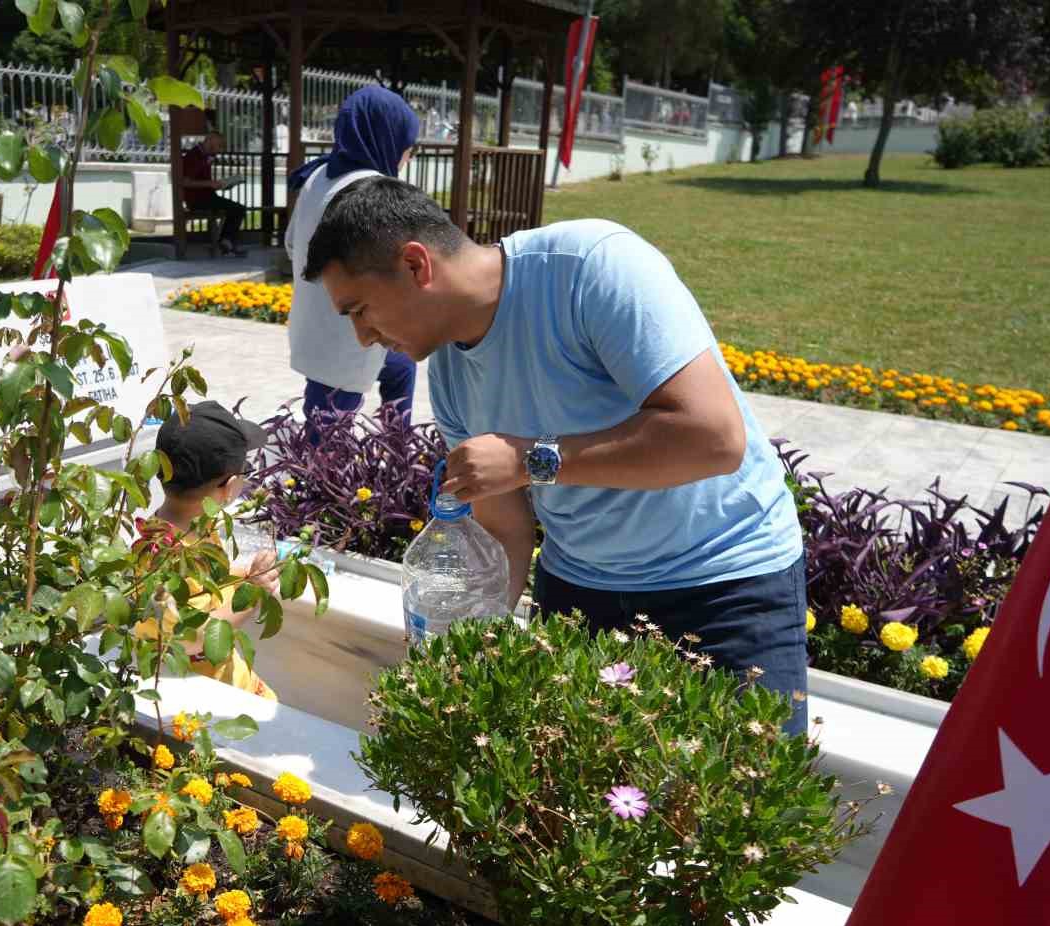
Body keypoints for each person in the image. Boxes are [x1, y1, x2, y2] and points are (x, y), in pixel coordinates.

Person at [301, 178, 809, 733]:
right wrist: (473, 655)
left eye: (359, 310)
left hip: (722, 584)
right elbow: (506, 528)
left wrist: (530, 460)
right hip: (579, 593)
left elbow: (714, 438)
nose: (362, 338)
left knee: (734, 808)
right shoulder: (448, 374)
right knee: (575, 811)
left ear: (416, 265)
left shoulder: (590, 267)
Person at [286, 85, 422, 432]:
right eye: (408, 147)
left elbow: (290, 243)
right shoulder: (371, 188)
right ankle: (317, 482)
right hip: (347, 330)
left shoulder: (318, 174)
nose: (407, 157)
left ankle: (397, 444)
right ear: (387, 138)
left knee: (402, 365)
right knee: (327, 430)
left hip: (321, 323)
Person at [133, 401, 279, 699]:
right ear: (230, 487)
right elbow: (192, 637)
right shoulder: (164, 557)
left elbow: (207, 580)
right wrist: (252, 594)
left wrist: (247, 574)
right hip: (199, 694)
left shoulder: (191, 527)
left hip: (221, 675)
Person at [181, 130, 246, 257]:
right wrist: (210, 184)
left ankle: (226, 243)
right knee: (238, 209)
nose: (219, 150)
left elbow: (204, 182)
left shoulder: (206, 156)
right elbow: (185, 182)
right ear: (210, 140)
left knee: (237, 209)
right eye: (219, 145)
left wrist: (223, 185)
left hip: (207, 197)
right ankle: (225, 244)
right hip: (197, 200)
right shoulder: (193, 156)